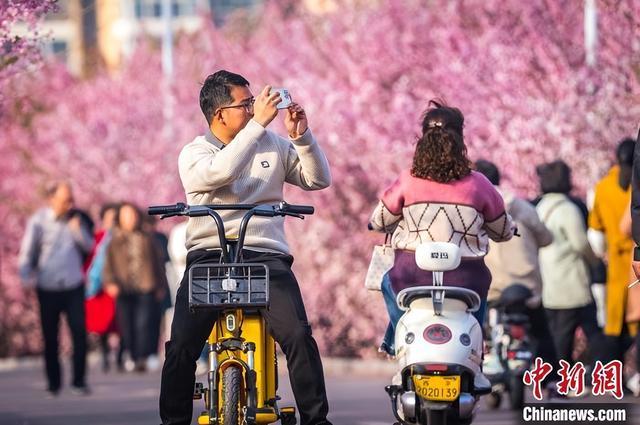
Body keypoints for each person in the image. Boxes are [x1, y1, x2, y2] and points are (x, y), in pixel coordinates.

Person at [159, 70, 332, 425]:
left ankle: (317, 420)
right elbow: (218, 173)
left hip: (264, 256)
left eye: (254, 103)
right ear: (220, 113)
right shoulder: (195, 152)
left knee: (298, 335)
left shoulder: (273, 144)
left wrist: (301, 138)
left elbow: (317, 179)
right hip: (209, 257)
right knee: (180, 347)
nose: (255, 110)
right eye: (246, 104)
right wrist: (257, 128)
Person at [369, 101, 515, 387]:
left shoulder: (407, 181)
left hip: (411, 278)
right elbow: (502, 230)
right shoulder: (479, 184)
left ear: (422, 139)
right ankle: (477, 360)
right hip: (466, 279)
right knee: (479, 301)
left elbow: (380, 219)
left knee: (388, 282)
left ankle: (398, 346)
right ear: (460, 140)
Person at [475, 160, 559, 385]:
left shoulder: (474, 207)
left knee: (478, 327)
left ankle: (488, 361)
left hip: (491, 286)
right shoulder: (522, 207)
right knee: (541, 331)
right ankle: (551, 381)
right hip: (525, 284)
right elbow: (546, 237)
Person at [18, 181, 93, 396]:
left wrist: (78, 231)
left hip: (73, 285)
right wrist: (26, 278)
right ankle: (54, 382)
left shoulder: (76, 219)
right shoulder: (38, 222)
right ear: (52, 199)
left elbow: (89, 247)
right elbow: (27, 253)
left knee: (79, 334)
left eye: (71, 200)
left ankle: (79, 381)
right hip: (48, 286)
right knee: (50, 336)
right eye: (64, 201)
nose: (69, 205)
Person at [535, 160, 602, 366]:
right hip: (571, 283)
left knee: (559, 335)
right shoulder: (567, 209)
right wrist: (596, 262)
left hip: (549, 282)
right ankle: (605, 372)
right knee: (591, 332)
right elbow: (581, 244)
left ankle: (560, 378)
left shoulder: (539, 206)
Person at [103, 202, 168, 373]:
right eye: (126, 216)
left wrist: (161, 285)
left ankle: (143, 356)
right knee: (126, 325)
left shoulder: (147, 238)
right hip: (123, 289)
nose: (130, 219)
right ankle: (131, 355)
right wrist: (110, 282)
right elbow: (108, 265)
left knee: (144, 323)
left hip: (146, 287)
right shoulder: (114, 241)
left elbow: (158, 263)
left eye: (132, 215)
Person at [589, 139, 636, 366]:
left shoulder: (603, 187)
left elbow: (595, 225)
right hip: (636, 258)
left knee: (614, 320)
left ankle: (613, 374)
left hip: (615, 261)